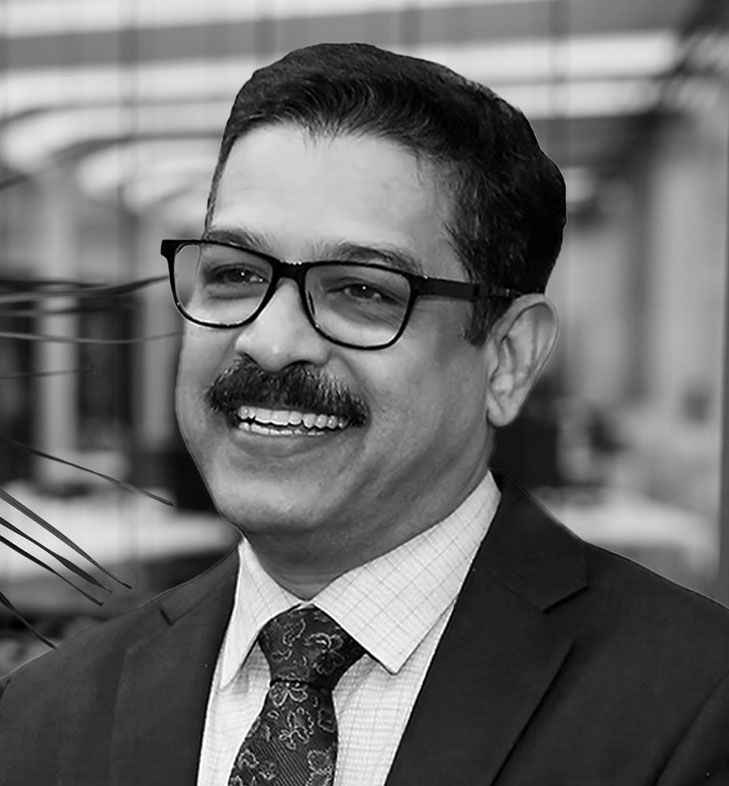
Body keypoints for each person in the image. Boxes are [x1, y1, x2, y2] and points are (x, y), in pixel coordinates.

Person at [1, 42, 729, 786]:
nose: (270, 342)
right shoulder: (46, 714)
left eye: (362, 290)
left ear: (508, 358)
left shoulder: (696, 708)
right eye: (235, 274)